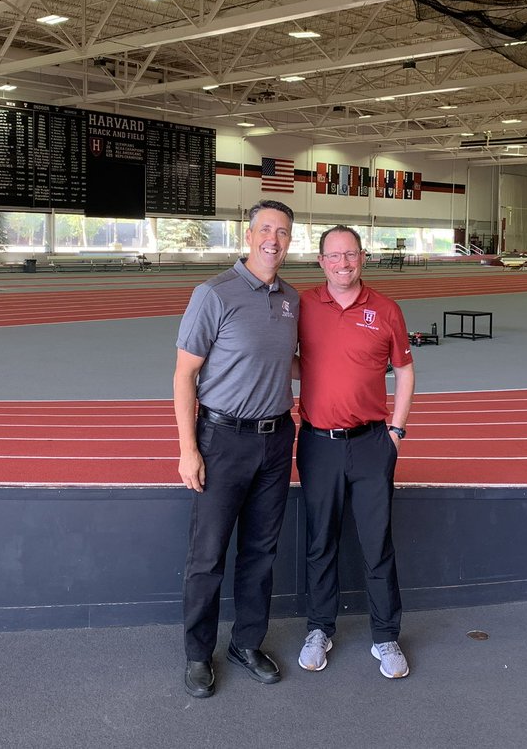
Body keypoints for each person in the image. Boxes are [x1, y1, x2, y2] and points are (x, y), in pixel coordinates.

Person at [174, 199, 299, 699]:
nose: (274, 238)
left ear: (290, 241)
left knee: (260, 553)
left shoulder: (291, 298)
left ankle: (246, 643)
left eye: (283, 232)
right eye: (265, 229)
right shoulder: (213, 293)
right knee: (208, 556)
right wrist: (189, 448)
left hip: (275, 441)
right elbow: (185, 375)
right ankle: (198, 654)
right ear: (248, 236)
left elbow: (290, 364)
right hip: (222, 439)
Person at [295, 225, 415, 678]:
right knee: (319, 541)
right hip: (317, 443)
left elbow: (404, 371)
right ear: (321, 261)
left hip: (370, 445)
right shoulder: (303, 305)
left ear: (362, 258)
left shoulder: (385, 310)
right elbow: (286, 356)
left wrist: (396, 432)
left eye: (350, 255)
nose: (343, 263)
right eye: (334, 256)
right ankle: (319, 628)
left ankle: (386, 637)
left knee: (377, 543)